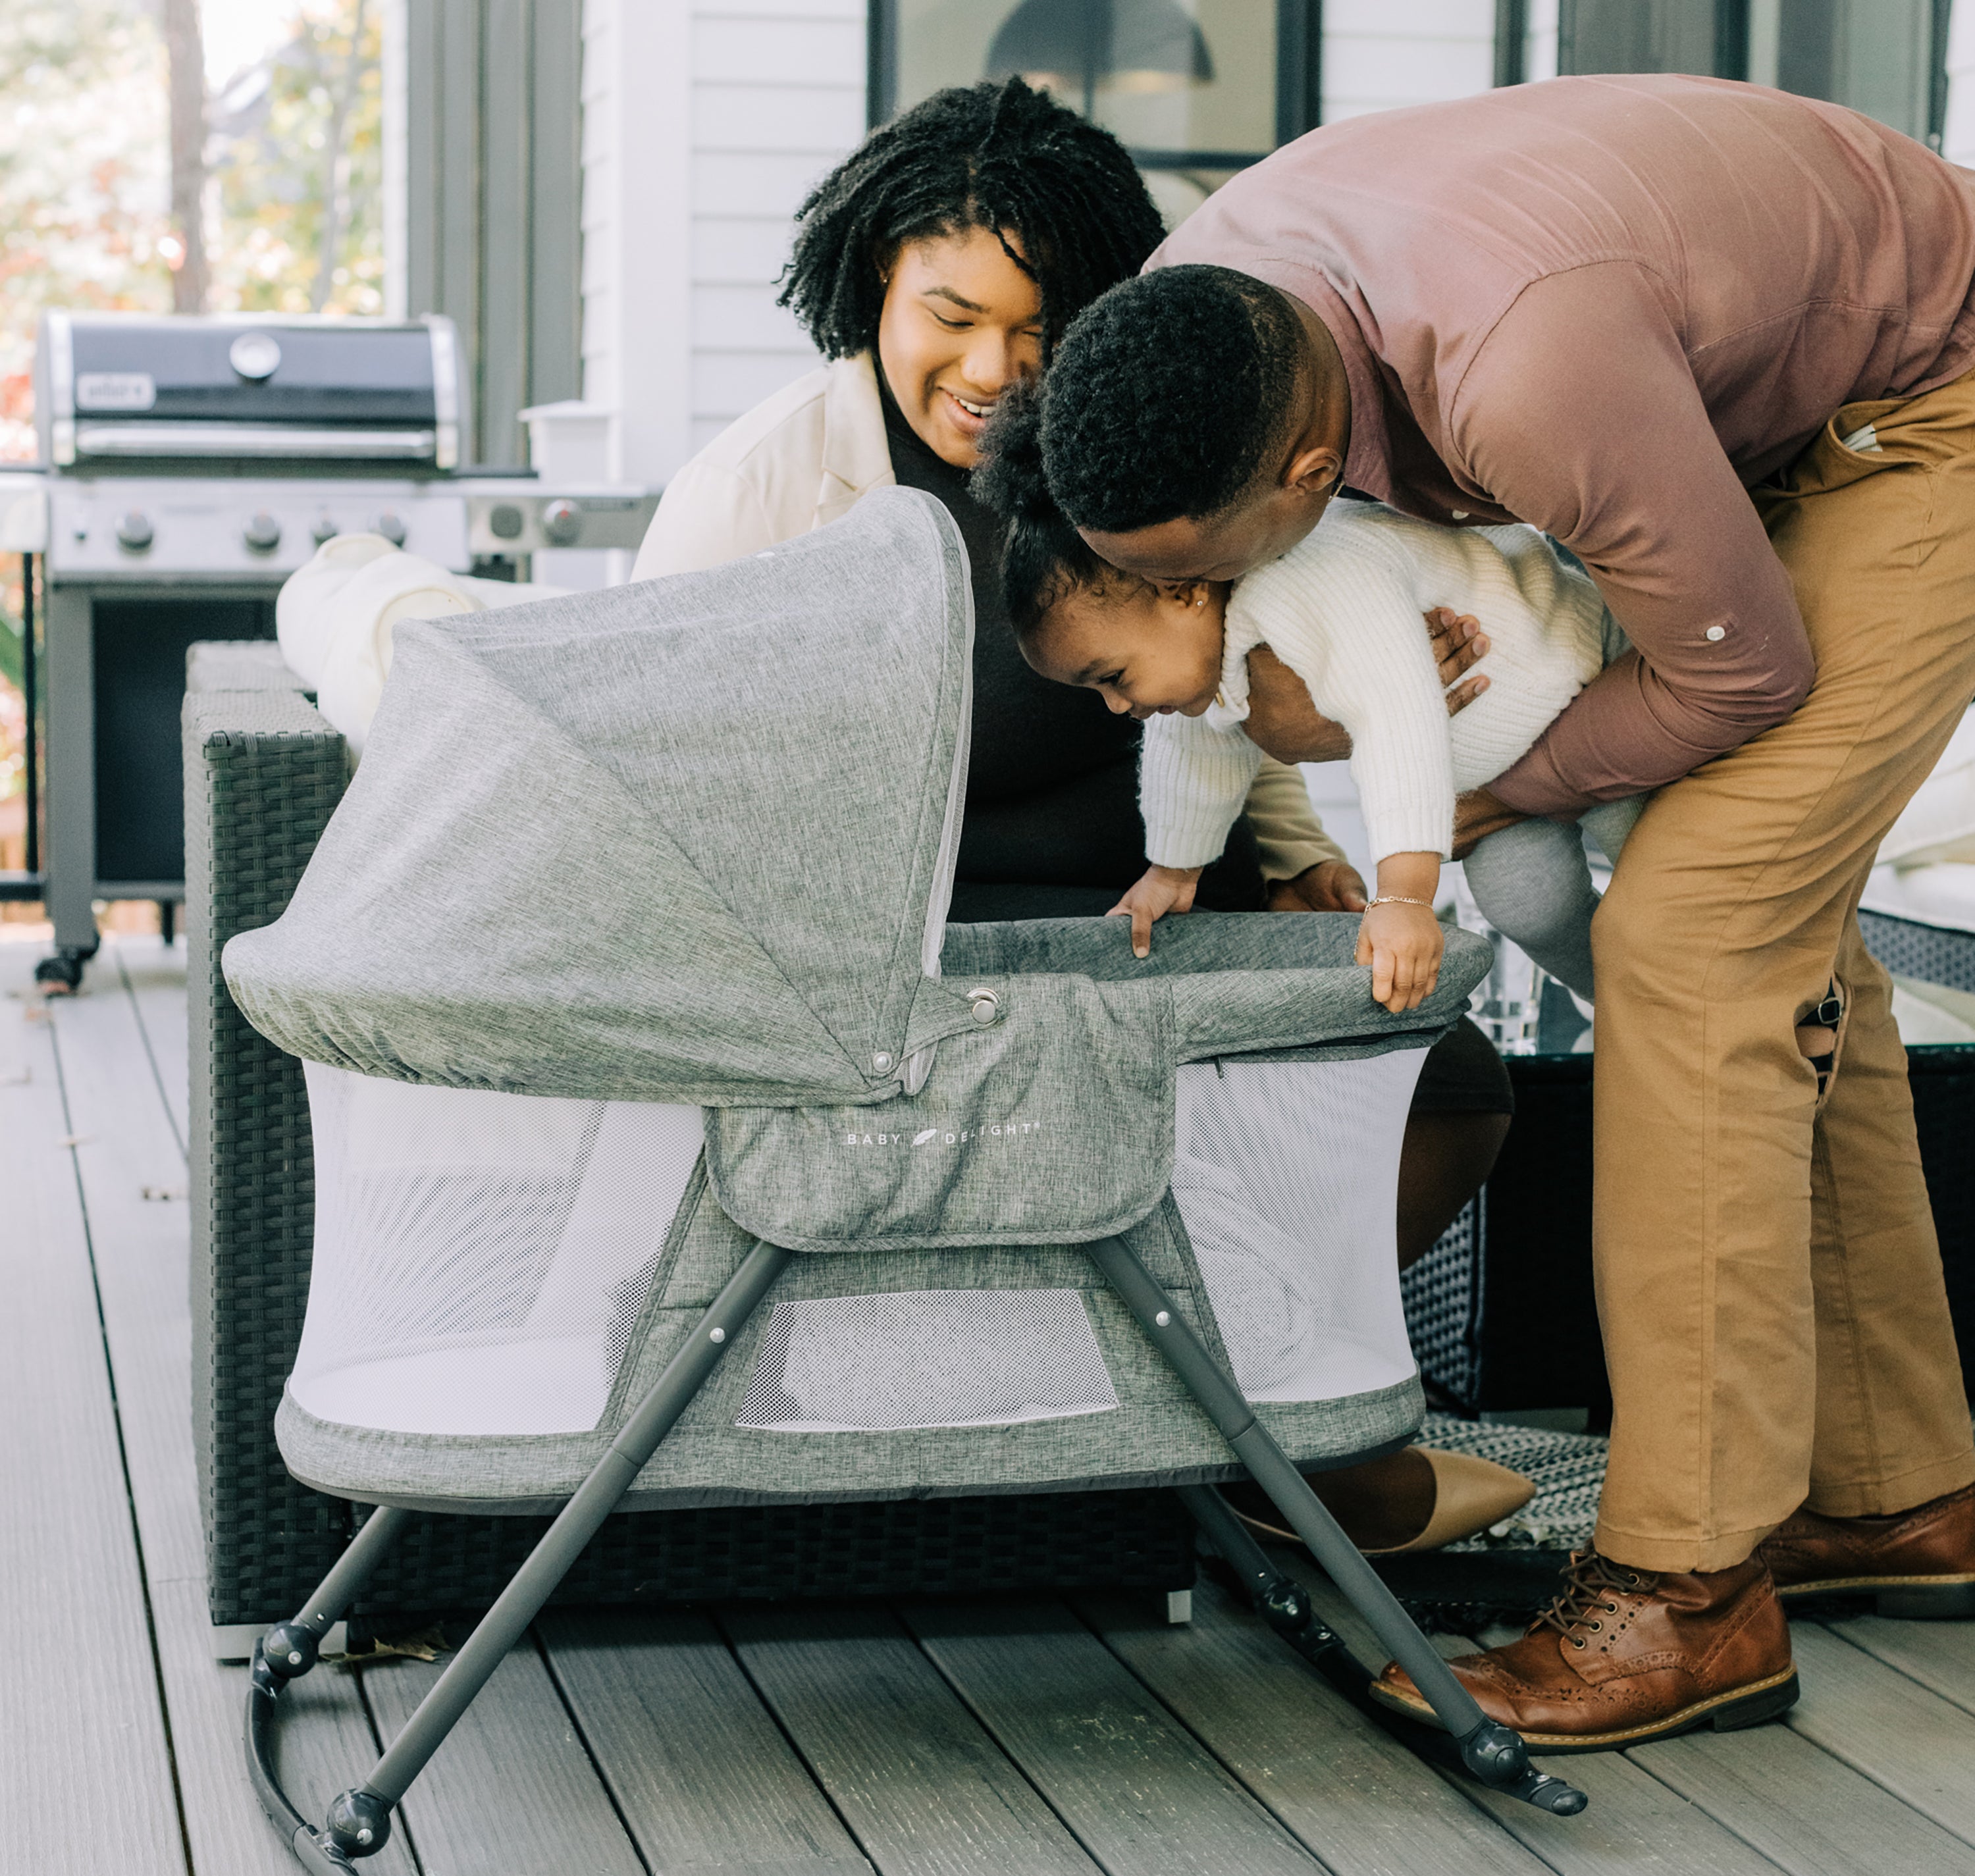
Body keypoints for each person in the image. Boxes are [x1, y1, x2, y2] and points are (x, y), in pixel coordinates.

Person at [1029, 72, 1975, 1749]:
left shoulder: (1522, 376)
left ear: (1311, 470)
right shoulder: (1209, 309)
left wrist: (1474, 792)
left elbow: (1739, 667)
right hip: (1721, 404)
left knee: (1693, 937)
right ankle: (1896, 1493)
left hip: (1925, 403)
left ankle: (1686, 1593)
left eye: (1202, 578)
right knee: (1787, 946)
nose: (1194, 619)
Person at [635, 76, 1531, 1551]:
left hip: (1157, 911)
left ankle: (1245, 1402)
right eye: (951, 314)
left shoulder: (1130, 446)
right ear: (875, 284)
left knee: (1447, 1089)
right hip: (926, 961)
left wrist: (1309, 851)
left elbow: (1241, 656)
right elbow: (668, 780)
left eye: (1040, 323)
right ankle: (1242, 1426)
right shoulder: (765, 488)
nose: (995, 365)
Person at [972, 380, 1639, 1004]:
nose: (1119, 707)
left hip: (1593, 689)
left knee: (1652, 889)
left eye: (1113, 678)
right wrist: (1173, 873)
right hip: (1509, 773)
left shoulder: (1311, 580)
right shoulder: (1205, 647)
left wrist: (1403, 900)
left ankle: (1673, 994)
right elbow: (1194, 749)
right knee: (1525, 901)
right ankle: (1625, 1011)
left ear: (1182, 588)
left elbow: (1395, 721)